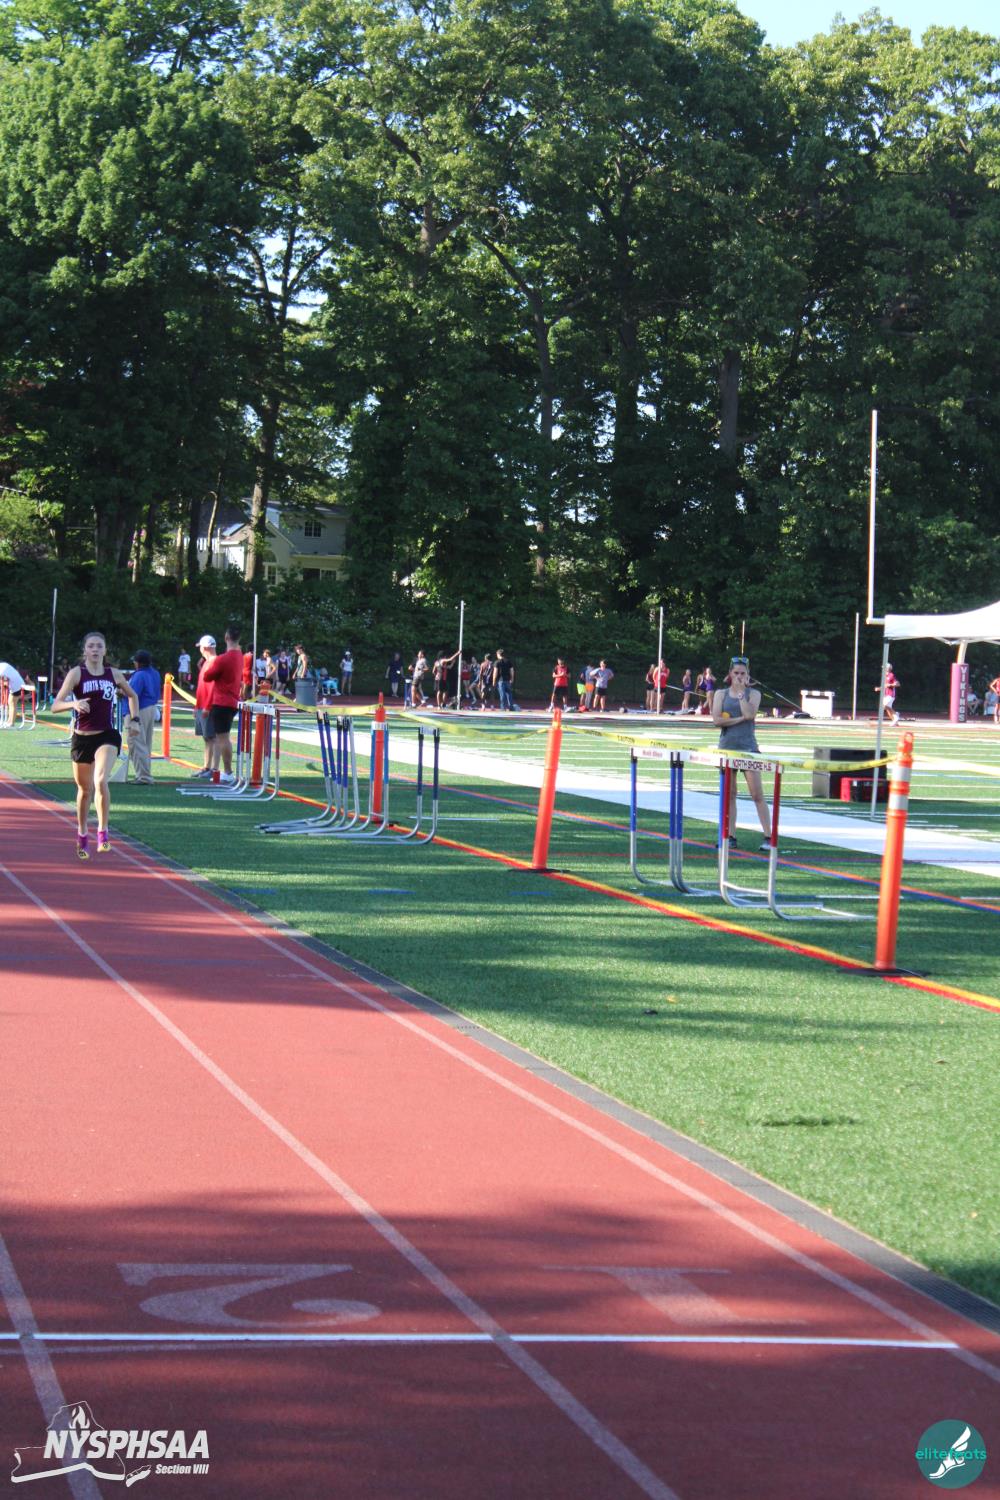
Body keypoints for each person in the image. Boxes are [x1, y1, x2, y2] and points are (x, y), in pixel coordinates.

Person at [51, 631, 140, 859]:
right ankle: (82, 833)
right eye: (91, 646)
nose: (95, 650)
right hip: (82, 738)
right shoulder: (76, 673)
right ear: (85, 650)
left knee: (100, 780)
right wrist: (74, 704)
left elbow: (132, 696)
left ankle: (103, 831)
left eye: (99, 646)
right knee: (84, 790)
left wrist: (135, 720)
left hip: (106, 736)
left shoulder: (114, 674)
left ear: (105, 650)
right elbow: (55, 705)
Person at [710, 656, 771, 852]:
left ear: (748, 675)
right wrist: (738, 719)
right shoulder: (720, 694)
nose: (739, 676)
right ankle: (730, 836)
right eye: (736, 673)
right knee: (730, 795)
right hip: (727, 748)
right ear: (730, 674)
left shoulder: (754, 694)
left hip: (748, 748)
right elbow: (717, 720)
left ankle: (768, 836)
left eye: (742, 673)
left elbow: (750, 715)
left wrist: (740, 694)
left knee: (757, 794)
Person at [201, 625, 244, 783]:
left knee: (223, 739)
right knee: (223, 738)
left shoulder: (223, 658)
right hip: (232, 701)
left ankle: (227, 772)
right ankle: (226, 771)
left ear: (226, 638)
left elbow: (207, 676)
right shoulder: (240, 656)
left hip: (222, 702)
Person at [127, 650, 161, 785]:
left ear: (138, 663)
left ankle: (143, 776)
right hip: (151, 708)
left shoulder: (139, 675)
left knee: (136, 742)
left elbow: (132, 694)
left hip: (139, 709)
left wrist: (121, 691)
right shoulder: (155, 673)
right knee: (146, 743)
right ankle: (144, 774)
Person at [191, 635, 217, 778]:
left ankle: (213, 768)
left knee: (212, 737)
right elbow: (202, 687)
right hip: (202, 705)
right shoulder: (207, 663)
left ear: (205, 647)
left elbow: (213, 687)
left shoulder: (214, 663)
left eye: (201, 647)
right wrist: (197, 706)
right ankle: (206, 767)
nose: (199, 649)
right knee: (207, 738)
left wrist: (207, 706)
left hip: (208, 706)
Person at [0, 660, 26, 727]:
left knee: (12, 703)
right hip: (17, 684)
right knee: (11, 703)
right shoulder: (3, 665)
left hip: (17, 685)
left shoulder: (1, 669)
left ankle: (11, 723)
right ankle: (9, 721)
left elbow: (3, 681)